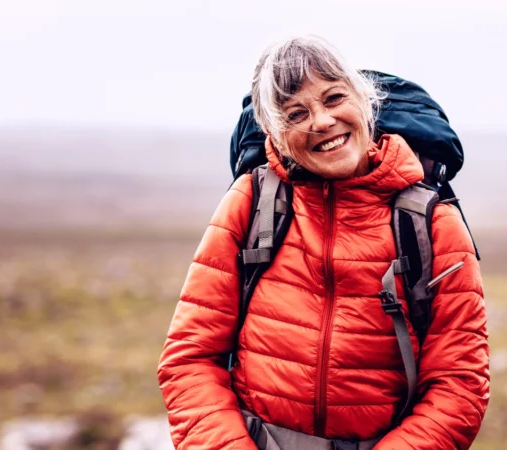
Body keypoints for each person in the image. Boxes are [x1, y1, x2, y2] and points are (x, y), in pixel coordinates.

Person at [157, 36, 489, 449]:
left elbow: (459, 385)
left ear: (365, 101)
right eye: (296, 114)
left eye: (334, 98)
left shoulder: (431, 222)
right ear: (275, 136)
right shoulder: (252, 203)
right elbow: (191, 359)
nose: (322, 121)